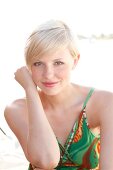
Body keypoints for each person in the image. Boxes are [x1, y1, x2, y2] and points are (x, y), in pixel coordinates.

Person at [4, 19, 113, 170]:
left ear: (75, 61)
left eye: (58, 63)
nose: (48, 74)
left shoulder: (105, 103)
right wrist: (30, 90)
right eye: (38, 63)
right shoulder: (16, 110)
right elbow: (46, 161)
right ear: (28, 67)